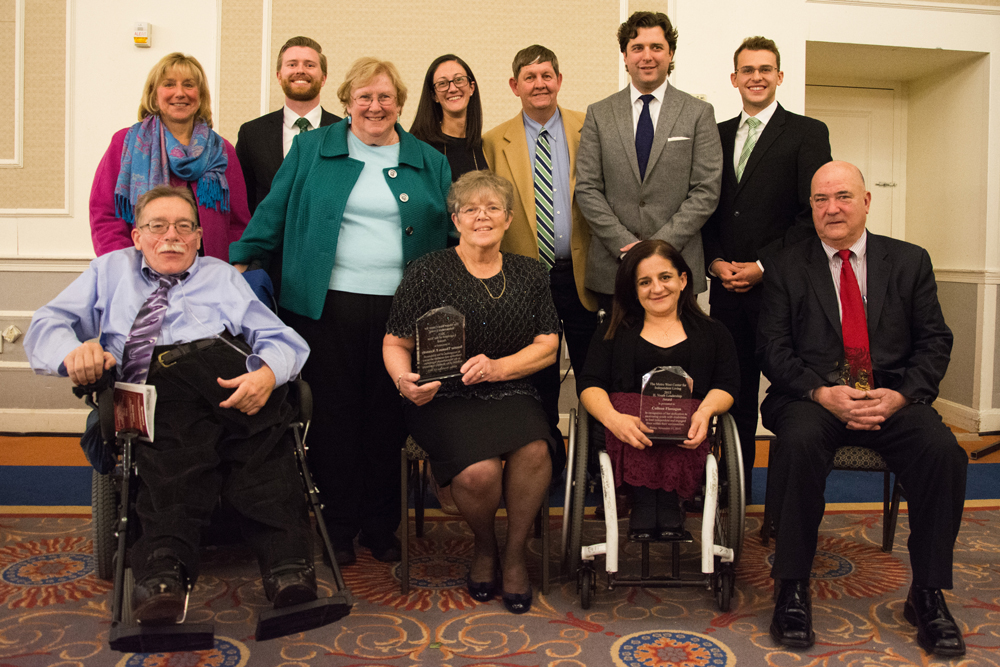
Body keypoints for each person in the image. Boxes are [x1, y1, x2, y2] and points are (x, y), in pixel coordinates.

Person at [25, 186, 315, 624]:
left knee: (262, 444)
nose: (171, 236)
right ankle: (163, 569)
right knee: (175, 456)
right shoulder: (108, 271)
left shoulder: (220, 276)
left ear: (199, 237)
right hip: (150, 379)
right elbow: (48, 323)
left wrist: (268, 374)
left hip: (223, 370)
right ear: (136, 236)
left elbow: (279, 338)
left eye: (183, 227)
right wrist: (74, 352)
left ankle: (286, 565)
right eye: (157, 226)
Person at [230, 57, 452, 568]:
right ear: (347, 102)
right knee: (333, 419)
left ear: (400, 103)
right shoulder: (312, 148)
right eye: (364, 97)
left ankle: (381, 524)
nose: (375, 106)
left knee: (388, 418)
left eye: (385, 97)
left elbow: (453, 228)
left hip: (403, 313)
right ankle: (337, 524)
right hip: (325, 307)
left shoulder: (428, 159)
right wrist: (240, 260)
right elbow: (275, 210)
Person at [757, 161, 968, 656]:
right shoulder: (787, 266)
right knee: (798, 443)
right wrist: (820, 392)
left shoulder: (910, 261)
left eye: (843, 197)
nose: (832, 208)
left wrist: (900, 395)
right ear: (810, 207)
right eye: (820, 200)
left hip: (891, 397)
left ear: (867, 201)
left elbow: (935, 340)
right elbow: (772, 348)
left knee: (944, 452)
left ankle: (929, 594)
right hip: (812, 398)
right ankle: (791, 587)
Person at [383, 171, 560, 615]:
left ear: (509, 218)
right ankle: (485, 546)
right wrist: (404, 381)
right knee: (478, 473)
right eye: (470, 209)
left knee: (536, 449)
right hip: (442, 397)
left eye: (493, 208)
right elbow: (395, 342)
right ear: (455, 219)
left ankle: (515, 552)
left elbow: (548, 345)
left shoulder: (530, 273)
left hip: (511, 390)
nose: (482, 216)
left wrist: (498, 368)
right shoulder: (426, 271)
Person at [701, 36, 831, 502]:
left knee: (789, 399)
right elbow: (705, 210)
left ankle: (785, 503)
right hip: (725, 292)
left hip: (782, 290)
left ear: (779, 77)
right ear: (733, 79)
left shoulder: (807, 132)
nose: (756, 76)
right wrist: (714, 262)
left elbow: (809, 215)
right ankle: (735, 495)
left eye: (765, 69)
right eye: (747, 70)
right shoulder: (712, 134)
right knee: (731, 392)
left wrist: (761, 266)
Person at [483, 45, 599, 463]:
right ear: (515, 86)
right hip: (526, 280)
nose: (540, 84)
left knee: (593, 374)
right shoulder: (494, 141)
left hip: (585, 276)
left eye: (547, 75)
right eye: (530, 77)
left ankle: (592, 462)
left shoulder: (591, 129)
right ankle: (546, 462)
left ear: (559, 81)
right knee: (539, 379)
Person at [577, 240, 738, 540]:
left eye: (665, 277)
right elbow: (589, 384)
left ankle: (669, 503)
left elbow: (726, 385)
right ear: (634, 289)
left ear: (683, 279)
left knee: (690, 409)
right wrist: (614, 419)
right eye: (645, 282)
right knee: (625, 403)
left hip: (689, 431)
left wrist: (704, 412)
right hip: (624, 430)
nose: (657, 288)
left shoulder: (713, 332)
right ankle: (643, 503)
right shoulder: (614, 330)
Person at [576, 11, 723, 307]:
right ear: (625, 56)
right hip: (613, 268)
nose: (647, 56)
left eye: (656, 47)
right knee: (618, 353)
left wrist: (659, 248)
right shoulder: (598, 113)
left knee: (678, 353)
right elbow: (588, 188)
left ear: (670, 54)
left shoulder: (698, 113)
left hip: (676, 266)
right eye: (637, 48)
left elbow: (706, 190)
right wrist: (626, 247)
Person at [90, 53, 250, 261]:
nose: (180, 93)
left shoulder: (222, 150)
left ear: (200, 95)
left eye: (189, 85)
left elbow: (238, 223)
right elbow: (104, 214)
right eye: (169, 84)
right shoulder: (125, 143)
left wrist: (230, 267)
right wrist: (123, 265)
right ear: (153, 94)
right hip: (137, 271)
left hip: (208, 274)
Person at [236, 36, 342, 215]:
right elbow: (243, 204)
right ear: (279, 76)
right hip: (270, 242)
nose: (300, 70)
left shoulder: (345, 132)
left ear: (323, 78)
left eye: (309, 65)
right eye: (292, 64)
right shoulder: (251, 134)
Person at [410, 54, 487, 181]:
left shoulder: (486, 148)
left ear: (471, 88)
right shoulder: (421, 149)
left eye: (459, 80)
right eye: (442, 83)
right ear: (434, 95)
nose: (452, 89)